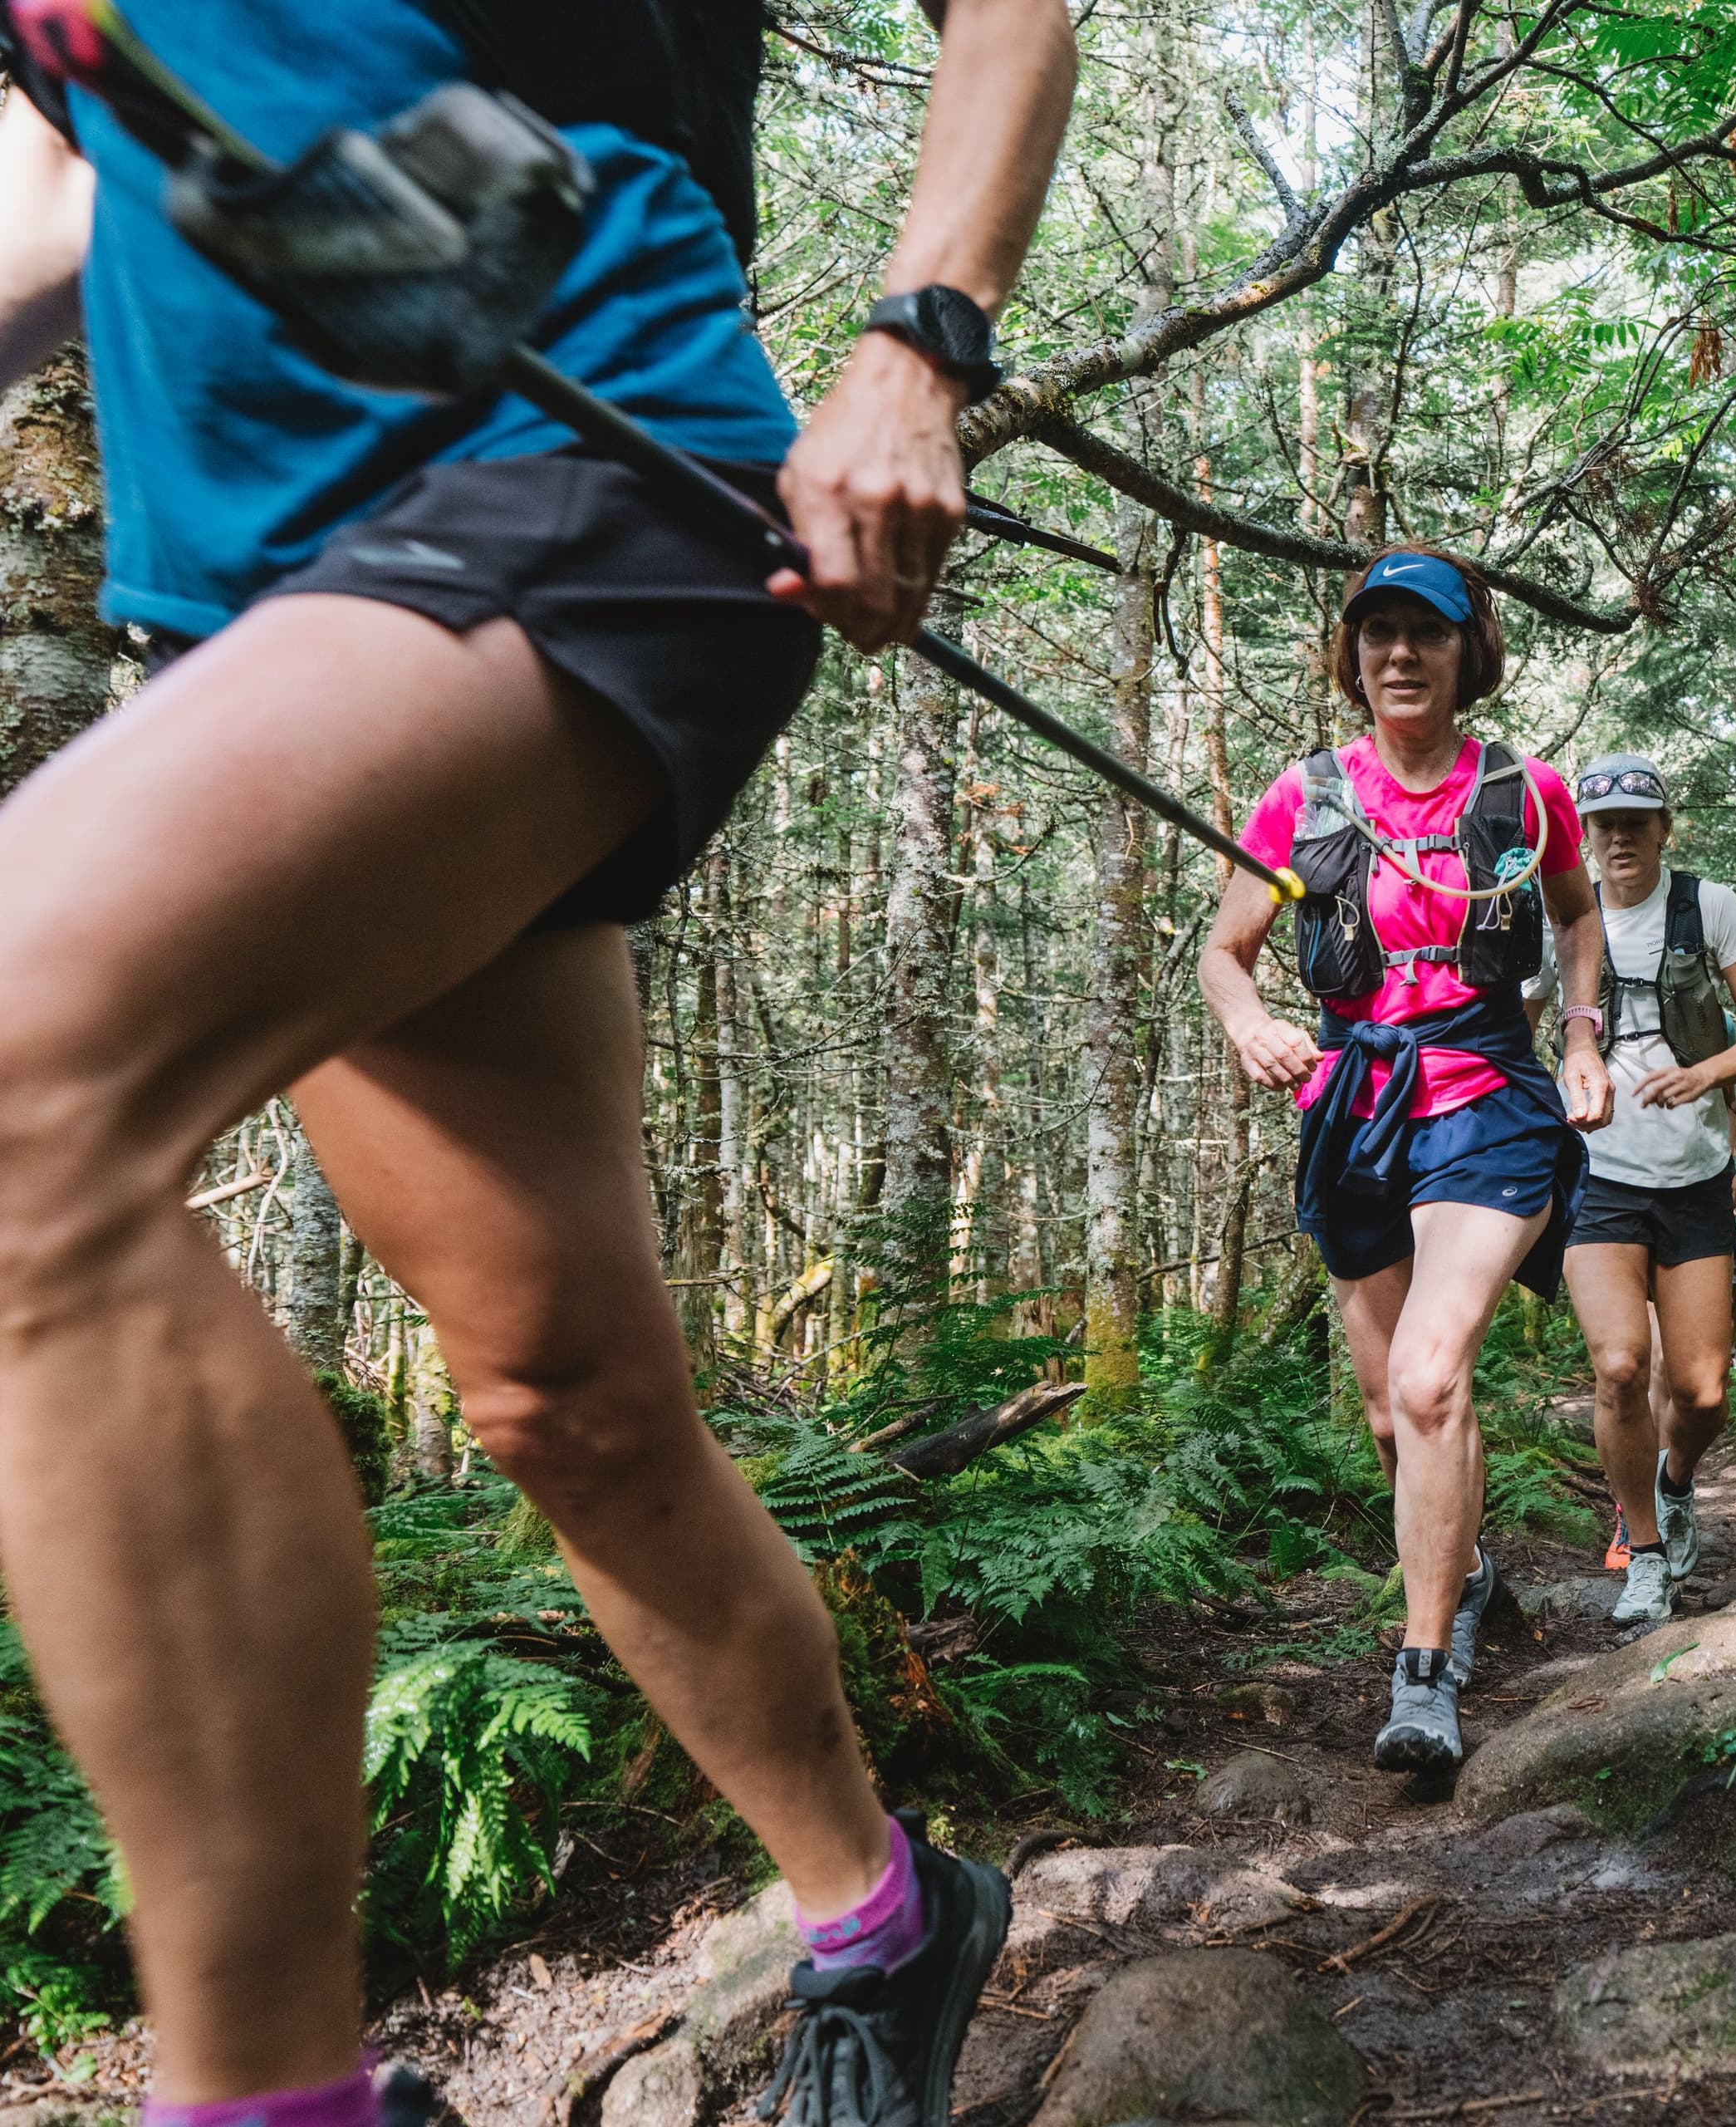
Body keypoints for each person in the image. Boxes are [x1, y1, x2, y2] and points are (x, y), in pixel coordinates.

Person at [0, 6, 1074, 2127]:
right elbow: (54, 203)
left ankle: (271, 2101)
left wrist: (916, 349)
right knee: (564, 1396)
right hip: (259, 612)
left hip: (585, 463)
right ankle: (884, 1909)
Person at [1196, 546, 1609, 1772]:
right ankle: (1463, 1568)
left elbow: (1577, 916)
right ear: (1353, 655)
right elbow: (1225, 949)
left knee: (1432, 1378)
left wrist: (1581, 1034)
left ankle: (1423, 1675)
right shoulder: (1306, 796)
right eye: (1377, 633)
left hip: (1486, 1096)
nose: (1399, 654)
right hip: (1356, 1103)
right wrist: (1250, 1023)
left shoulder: (1527, 791)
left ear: (1467, 651)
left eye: (1425, 632)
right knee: (1390, 1413)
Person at [1547, 754, 1736, 1625]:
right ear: (1585, 834)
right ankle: (1644, 1556)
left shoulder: (1708, 907)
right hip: (1598, 1178)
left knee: (1703, 1392)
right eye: (1604, 825)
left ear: (1663, 830)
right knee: (1619, 1366)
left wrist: (1705, 1074)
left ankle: (1675, 1482)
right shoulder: (1562, 918)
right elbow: (1511, 1027)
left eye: (1636, 822)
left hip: (1696, 1177)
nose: (1620, 838)